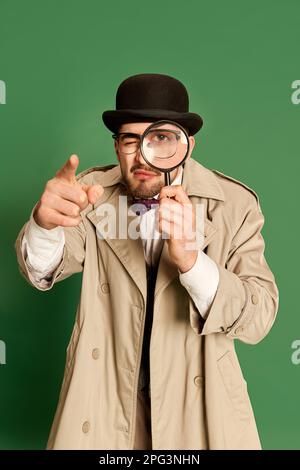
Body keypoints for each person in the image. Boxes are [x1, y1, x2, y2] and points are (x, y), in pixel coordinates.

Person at [15, 73, 279, 450]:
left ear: (188, 145)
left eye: (160, 138)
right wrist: (44, 225)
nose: (142, 155)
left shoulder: (235, 206)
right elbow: (44, 268)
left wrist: (191, 261)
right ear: (116, 145)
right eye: (129, 139)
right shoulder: (92, 194)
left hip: (200, 414)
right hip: (104, 411)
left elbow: (260, 317)